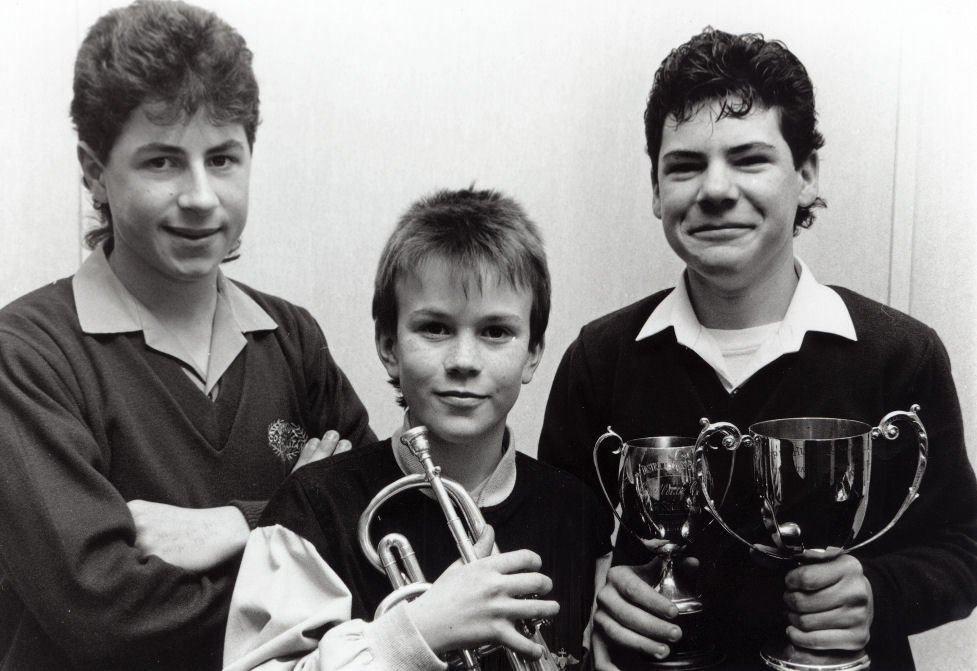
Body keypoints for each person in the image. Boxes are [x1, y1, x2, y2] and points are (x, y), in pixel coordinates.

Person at [538, 27, 977, 671]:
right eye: (684, 166)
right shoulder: (599, 359)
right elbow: (553, 551)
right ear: (656, 190)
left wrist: (879, 593)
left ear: (806, 176)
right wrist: (601, 596)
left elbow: (963, 545)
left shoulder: (901, 355)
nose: (715, 190)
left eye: (749, 159)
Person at [0, 2, 375, 669]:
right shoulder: (27, 354)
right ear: (93, 171)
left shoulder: (292, 339)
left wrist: (239, 523)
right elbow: (109, 614)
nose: (201, 196)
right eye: (162, 162)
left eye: (222, 158)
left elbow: (380, 529)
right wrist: (300, 534)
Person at [222, 187, 613, 670]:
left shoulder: (577, 512)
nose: (464, 360)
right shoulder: (311, 507)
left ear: (533, 353)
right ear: (389, 346)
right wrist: (418, 631)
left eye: (496, 332)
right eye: (435, 328)